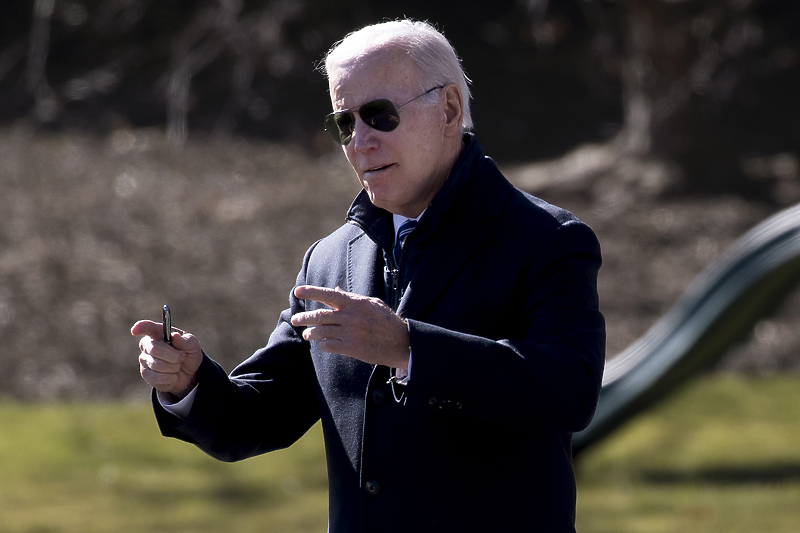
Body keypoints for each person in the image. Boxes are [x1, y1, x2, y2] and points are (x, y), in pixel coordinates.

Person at [132, 19, 605, 533]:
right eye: (344, 123)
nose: (360, 141)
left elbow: (569, 389)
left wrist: (409, 349)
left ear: (448, 109)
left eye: (380, 116)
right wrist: (189, 383)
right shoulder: (331, 258)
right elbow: (254, 420)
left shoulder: (547, 238)